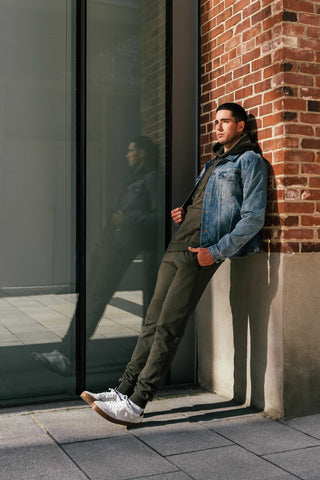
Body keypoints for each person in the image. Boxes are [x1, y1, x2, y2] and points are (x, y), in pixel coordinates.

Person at [81, 102, 268, 427]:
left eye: (225, 121)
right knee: (152, 321)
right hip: (177, 246)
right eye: (216, 122)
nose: (218, 127)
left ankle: (138, 403)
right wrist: (184, 211)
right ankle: (123, 389)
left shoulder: (249, 162)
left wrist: (216, 251)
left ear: (241, 126)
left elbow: (252, 218)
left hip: (201, 251)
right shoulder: (213, 162)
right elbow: (206, 205)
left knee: (169, 326)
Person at [33, 136, 161, 374]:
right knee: (89, 299)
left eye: (131, 150)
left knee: (94, 300)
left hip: (124, 250)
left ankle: (67, 356)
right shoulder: (134, 179)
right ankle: (65, 351)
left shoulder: (151, 179)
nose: (127, 155)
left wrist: (128, 220)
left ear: (143, 153)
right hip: (110, 249)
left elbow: (159, 217)